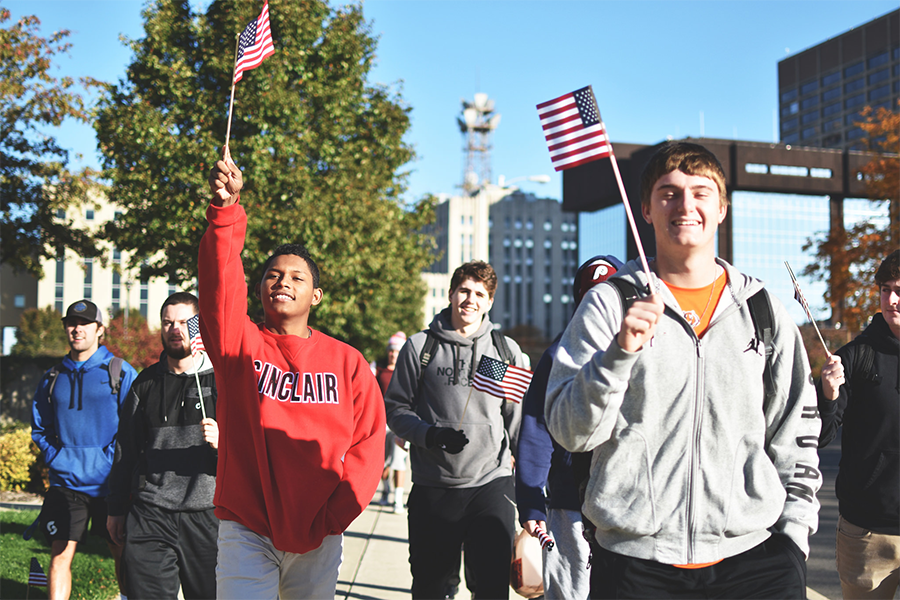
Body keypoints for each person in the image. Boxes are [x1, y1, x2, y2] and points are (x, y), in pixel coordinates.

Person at [545, 141, 821, 600]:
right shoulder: (609, 303)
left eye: (700, 192)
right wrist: (618, 354)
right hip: (636, 565)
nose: (685, 205)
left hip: (756, 564)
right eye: (668, 193)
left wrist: (794, 538)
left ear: (722, 208)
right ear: (647, 211)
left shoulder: (763, 310)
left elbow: (797, 435)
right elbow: (571, 432)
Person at [201, 148, 386, 600]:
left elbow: (368, 447)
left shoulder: (348, 363)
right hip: (246, 523)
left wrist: (332, 517)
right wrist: (226, 212)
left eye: (296, 277)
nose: (281, 281)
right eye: (272, 274)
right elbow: (221, 286)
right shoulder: (238, 344)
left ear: (317, 295)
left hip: (320, 530)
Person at [385, 260, 525, 600]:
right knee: (431, 588)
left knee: (491, 589)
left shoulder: (505, 352)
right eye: (464, 290)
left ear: (489, 302)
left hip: (490, 484)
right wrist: (429, 435)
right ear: (451, 294)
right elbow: (396, 410)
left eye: (480, 293)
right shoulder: (420, 347)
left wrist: (531, 489)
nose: (470, 299)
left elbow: (518, 420)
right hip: (434, 486)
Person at [516, 255, 623, 600]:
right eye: (591, 296)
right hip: (568, 503)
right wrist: (531, 500)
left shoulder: (652, 350)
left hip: (627, 502)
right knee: (570, 592)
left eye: (608, 294)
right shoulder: (557, 355)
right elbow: (536, 427)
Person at [106, 292, 219, 600]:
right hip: (151, 514)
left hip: (208, 515)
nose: (175, 328)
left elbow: (251, 454)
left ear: (198, 328)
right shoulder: (145, 384)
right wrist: (116, 509)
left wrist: (223, 445)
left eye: (184, 322)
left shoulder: (221, 383)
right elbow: (125, 451)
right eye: (168, 322)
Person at [31, 300, 138, 600]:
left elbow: (134, 428)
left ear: (100, 330)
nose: (76, 329)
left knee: (122, 553)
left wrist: (109, 463)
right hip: (66, 483)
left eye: (84, 323)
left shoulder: (119, 371)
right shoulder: (52, 377)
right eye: (71, 323)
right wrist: (58, 457)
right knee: (60, 554)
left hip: (110, 484)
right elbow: (40, 427)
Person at [818, 249, 900, 600]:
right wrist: (828, 394)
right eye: (885, 289)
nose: (892, 299)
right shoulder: (856, 356)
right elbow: (822, 436)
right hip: (867, 533)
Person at [377, 331, 409, 514]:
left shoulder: (406, 374)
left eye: (397, 351)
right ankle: (386, 490)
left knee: (399, 461)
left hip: (400, 424)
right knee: (383, 463)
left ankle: (397, 500)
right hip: (382, 423)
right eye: (391, 350)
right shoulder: (379, 371)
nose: (393, 354)